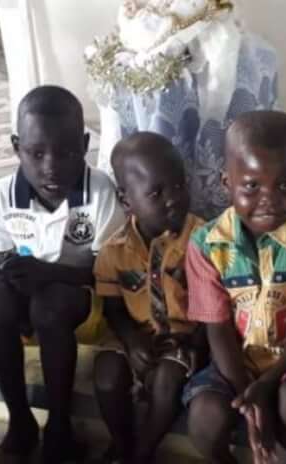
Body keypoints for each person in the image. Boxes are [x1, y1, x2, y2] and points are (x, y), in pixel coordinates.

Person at [0, 85, 125, 463]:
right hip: (28, 303)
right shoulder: (2, 194)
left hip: (82, 306)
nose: (51, 167)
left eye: (67, 152)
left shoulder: (99, 192)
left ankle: (59, 424)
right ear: (16, 147)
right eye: (36, 153)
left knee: (50, 304)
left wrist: (46, 273)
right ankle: (20, 419)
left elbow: (108, 275)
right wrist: (5, 275)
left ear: (85, 145)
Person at [183, 111, 286, 464]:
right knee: (205, 415)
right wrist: (248, 396)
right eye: (252, 186)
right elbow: (218, 327)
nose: (268, 198)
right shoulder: (206, 244)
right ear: (226, 182)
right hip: (231, 361)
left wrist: (267, 385)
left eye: (283, 185)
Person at [92, 132, 208, 464]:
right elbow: (113, 307)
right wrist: (131, 340)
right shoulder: (113, 250)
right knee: (106, 374)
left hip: (184, 339)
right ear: (126, 200)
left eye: (178, 185)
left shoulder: (204, 241)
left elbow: (217, 306)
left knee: (168, 381)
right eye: (156, 193)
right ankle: (122, 443)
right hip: (136, 336)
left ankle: (143, 453)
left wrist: (195, 342)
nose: (173, 199)